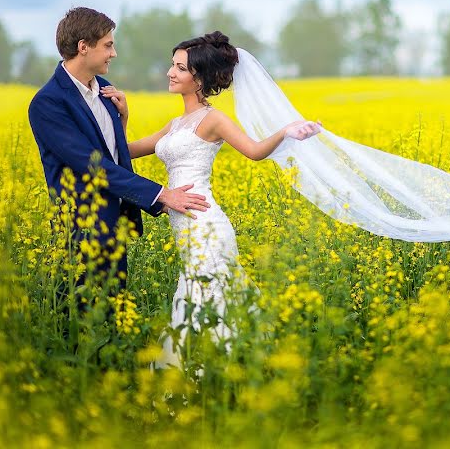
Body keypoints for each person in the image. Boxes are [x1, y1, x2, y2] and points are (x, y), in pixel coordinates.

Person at [102, 31, 321, 367]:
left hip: (205, 224)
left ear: (199, 78)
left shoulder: (213, 119)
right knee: (201, 297)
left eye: (179, 68)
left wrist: (284, 132)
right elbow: (125, 153)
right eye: (171, 65)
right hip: (187, 228)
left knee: (207, 297)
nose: (170, 73)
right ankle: (224, 372)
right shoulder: (175, 124)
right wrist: (123, 118)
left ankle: (215, 373)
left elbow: (253, 151)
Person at [28, 7, 211, 304]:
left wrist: (122, 121)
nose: (113, 53)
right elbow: (92, 165)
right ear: (83, 47)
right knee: (79, 323)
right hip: (81, 233)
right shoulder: (48, 103)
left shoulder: (105, 91)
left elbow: (112, 153)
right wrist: (161, 195)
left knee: (113, 320)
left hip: (114, 228)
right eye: (108, 45)